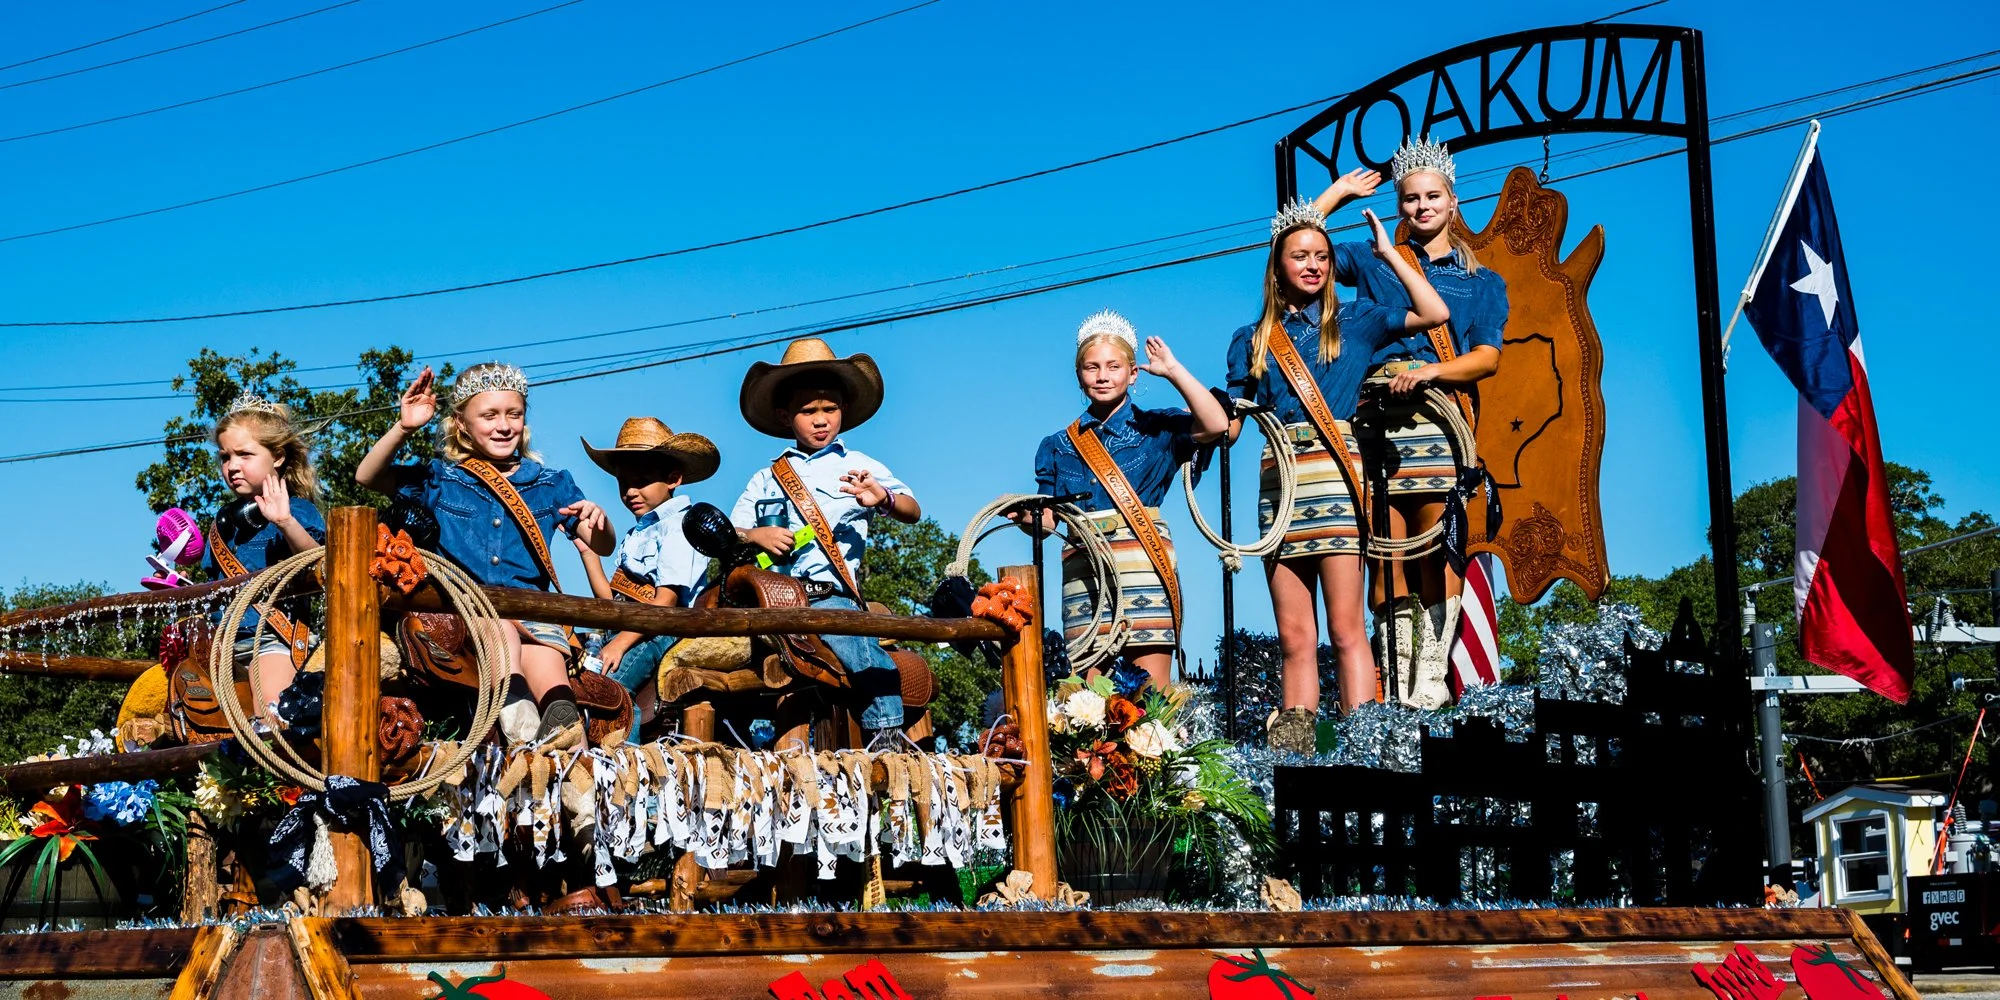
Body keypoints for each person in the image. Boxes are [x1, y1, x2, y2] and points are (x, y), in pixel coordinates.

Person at [1225, 203, 1449, 753]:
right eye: (1300, 256)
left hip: (1337, 476)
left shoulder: (1359, 318)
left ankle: (1366, 754)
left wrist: (1389, 256)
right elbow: (1231, 423)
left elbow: (1434, 311)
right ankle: (1298, 764)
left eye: (1322, 257)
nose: (1314, 265)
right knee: (1296, 638)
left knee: (1347, 629)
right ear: (1276, 265)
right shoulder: (1251, 339)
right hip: (1280, 485)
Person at [1313, 136, 1507, 709]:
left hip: (1436, 420)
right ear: (1399, 205)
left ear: (1452, 201)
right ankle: (1395, 681)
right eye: (1410, 199)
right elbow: (1298, 249)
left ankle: (1430, 675)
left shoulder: (1482, 282)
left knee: (1436, 547)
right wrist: (1338, 194)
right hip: (1372, 419)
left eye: (1431, 197)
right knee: (1385, 551)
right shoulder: (1373, 258)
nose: (1420, 207)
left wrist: (1432, 373)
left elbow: (1488, 357)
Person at [355, 362, 615, 746]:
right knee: (502, 629)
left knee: (547, 657)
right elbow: (367, 476)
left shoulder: (551, 483)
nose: (504, 425)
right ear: (461, 423)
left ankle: (564, 725)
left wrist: (601, 522)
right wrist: (405, 427)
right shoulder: (440, 479)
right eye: (489, 415)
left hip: (534, 613)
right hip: (467, 609)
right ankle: (515, 707)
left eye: (514, 413)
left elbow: (601, 544)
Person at [1018, 310, 1226, 692]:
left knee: (1153, 693)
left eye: (1113, 366)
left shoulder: (1158, 427)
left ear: (1133, 373)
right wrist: (1024, 517)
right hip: (1084, 573)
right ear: (1079, 374)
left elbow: (1216, 424)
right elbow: (1047, 523)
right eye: (1091, 367)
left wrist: (1174, 371)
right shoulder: (1056, 446)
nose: (1102, 375)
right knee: (1087, 699)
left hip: (1143, 564)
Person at [730, 338, 919, 741]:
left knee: (856, 645)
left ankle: (887, 734)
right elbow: (733, 531)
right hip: (772, 595)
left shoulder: (859, 465)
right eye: (808, 411)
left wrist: (881, 498)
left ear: (843, 412)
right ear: (785, 416)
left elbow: (913, 510)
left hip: (827, 594)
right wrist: (756, 535)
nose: (820, 420)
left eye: (829, 409)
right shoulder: (766, 476)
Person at [571, 416, 721, 737]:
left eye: (641, 480)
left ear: (673, 478)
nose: (630, 491)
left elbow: (665, 601)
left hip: (658, 631)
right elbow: (610, 601)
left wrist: (620, 645)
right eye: (623, 482)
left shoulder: (680, 526)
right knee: (581, 685)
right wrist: (588, 553)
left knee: (613, 690)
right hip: (627, 626)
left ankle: (632, 767)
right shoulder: (636, 533)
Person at [204, 392, 327, 727]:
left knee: (271, 724)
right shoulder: (222, 523)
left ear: (277, 457)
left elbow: (320, 564)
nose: (232, 466)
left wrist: (285, 522)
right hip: (224, 641)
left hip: (272, 639)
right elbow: (210, 584)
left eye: (244, 454)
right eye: (225, 456)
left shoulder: (298, 510)